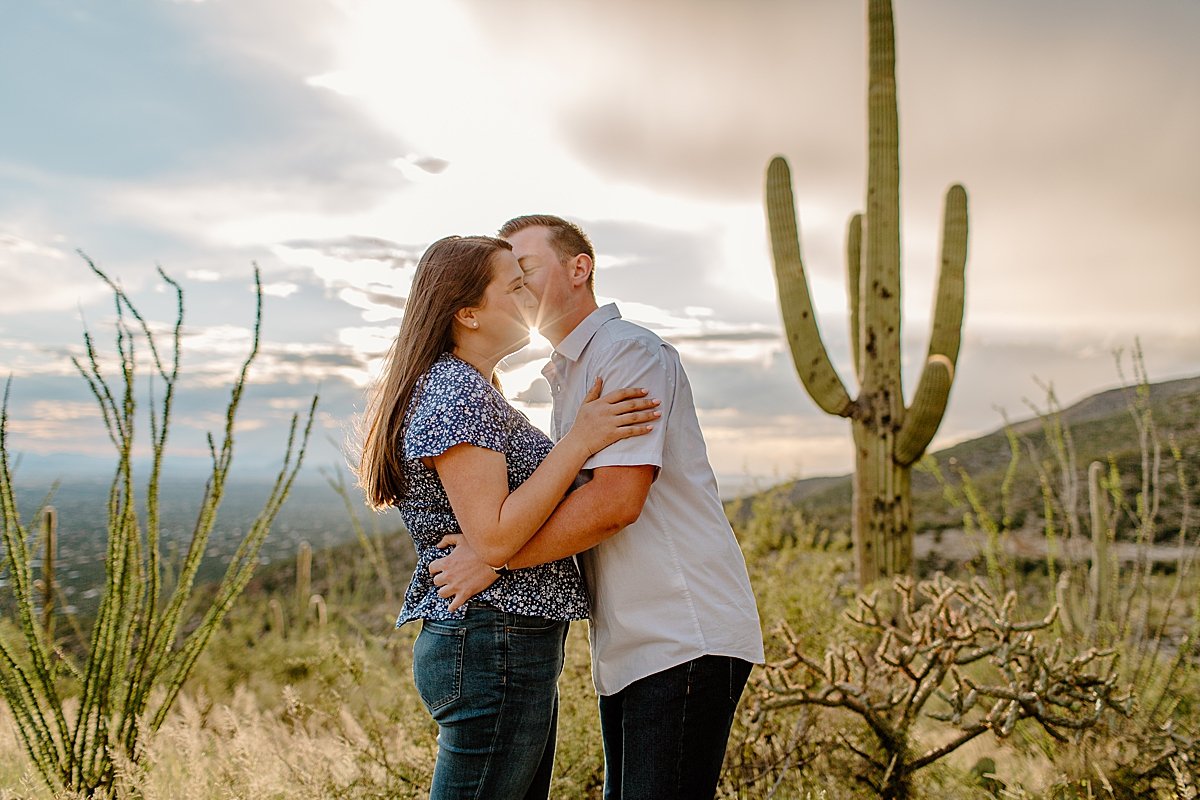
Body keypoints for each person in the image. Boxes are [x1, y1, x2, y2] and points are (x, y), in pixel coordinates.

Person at [429, 216, 765, 800]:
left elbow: (615, 501)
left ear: (579, 268)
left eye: (525, 268)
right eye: (508, 277)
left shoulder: (626, 352)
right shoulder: (568, 375)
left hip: (680, 630)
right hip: (633, 641)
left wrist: (496, 557)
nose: (518, 285)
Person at [357, 234, 660, 800]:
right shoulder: (456, 393)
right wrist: (581, 440)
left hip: (501, 638)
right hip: (492, 639)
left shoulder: (471, 389)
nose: (530, 296)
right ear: (467, 312)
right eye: (513, 285)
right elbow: (494, 536)